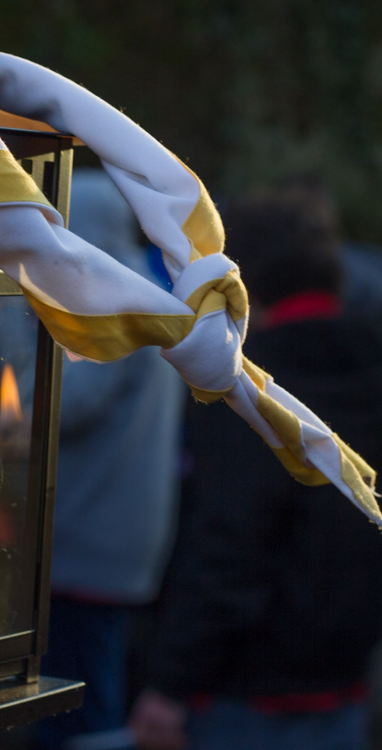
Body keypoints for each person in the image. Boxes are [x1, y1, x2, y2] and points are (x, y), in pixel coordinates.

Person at [129, 188, 382, 750]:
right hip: (346, 682)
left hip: (242, 698)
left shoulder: (250, 395)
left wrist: (169, 682)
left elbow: (227, 548)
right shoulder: (371, 369)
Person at [35, 168, 186, 750]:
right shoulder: (142, 296)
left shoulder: (110, 311)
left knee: (77, 705)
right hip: (116, 537)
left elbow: (61, 407)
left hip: (89, 542)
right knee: (90, 688)